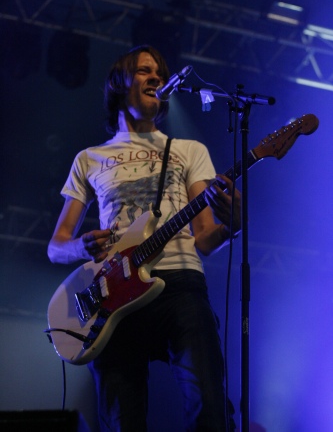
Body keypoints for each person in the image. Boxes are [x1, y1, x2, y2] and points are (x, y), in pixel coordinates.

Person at [48, 44, 241, 431]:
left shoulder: (188, 149)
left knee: (208, 402)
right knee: (122, 419)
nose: (155, 77)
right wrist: (80, 246)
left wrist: (232, 224)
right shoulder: (90, 158)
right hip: (113, 293)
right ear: (120, 84)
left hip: (181, 283)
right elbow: (56, 246)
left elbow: (204, 238)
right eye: (143, 71)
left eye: (159, 72)